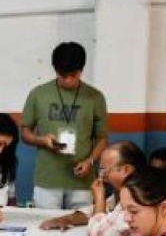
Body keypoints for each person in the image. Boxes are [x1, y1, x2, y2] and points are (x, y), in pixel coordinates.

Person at [21, 41, 108, 209]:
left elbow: (102, 138)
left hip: (82, 180)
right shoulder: (38, 94)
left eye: (73, 75)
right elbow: (24, 132)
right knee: (45, 223)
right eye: (62, 75)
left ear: (81, 70)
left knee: (81, 223)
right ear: (55, 70)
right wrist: (41, 140)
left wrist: (90, 162)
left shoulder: (95, 97)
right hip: (48, 180)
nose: (68, 80)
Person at [40, 141, 146, 236]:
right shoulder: (120, 195)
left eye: (105, 171)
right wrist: (68, 219)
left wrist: (99, 198)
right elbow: (99, 209)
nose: (102, 177)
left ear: (126, 170)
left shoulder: (138, 200)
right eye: (100, 171)